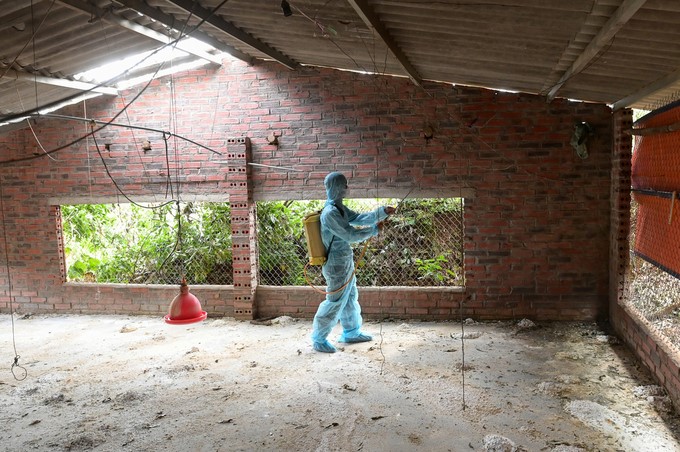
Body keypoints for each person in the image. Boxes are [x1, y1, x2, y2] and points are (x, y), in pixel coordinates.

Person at [311, 172, 395, 353]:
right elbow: (349, 234)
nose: (346, 188)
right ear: (336, 187)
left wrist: (382, 212)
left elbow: (358, 218)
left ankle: (351, 332)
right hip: (335, 264)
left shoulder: (339, 208)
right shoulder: (330, 213)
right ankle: (319, 338)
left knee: (349, 297)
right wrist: (373, 231)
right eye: (344, 185)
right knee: (335, 300)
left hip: (344, 261)